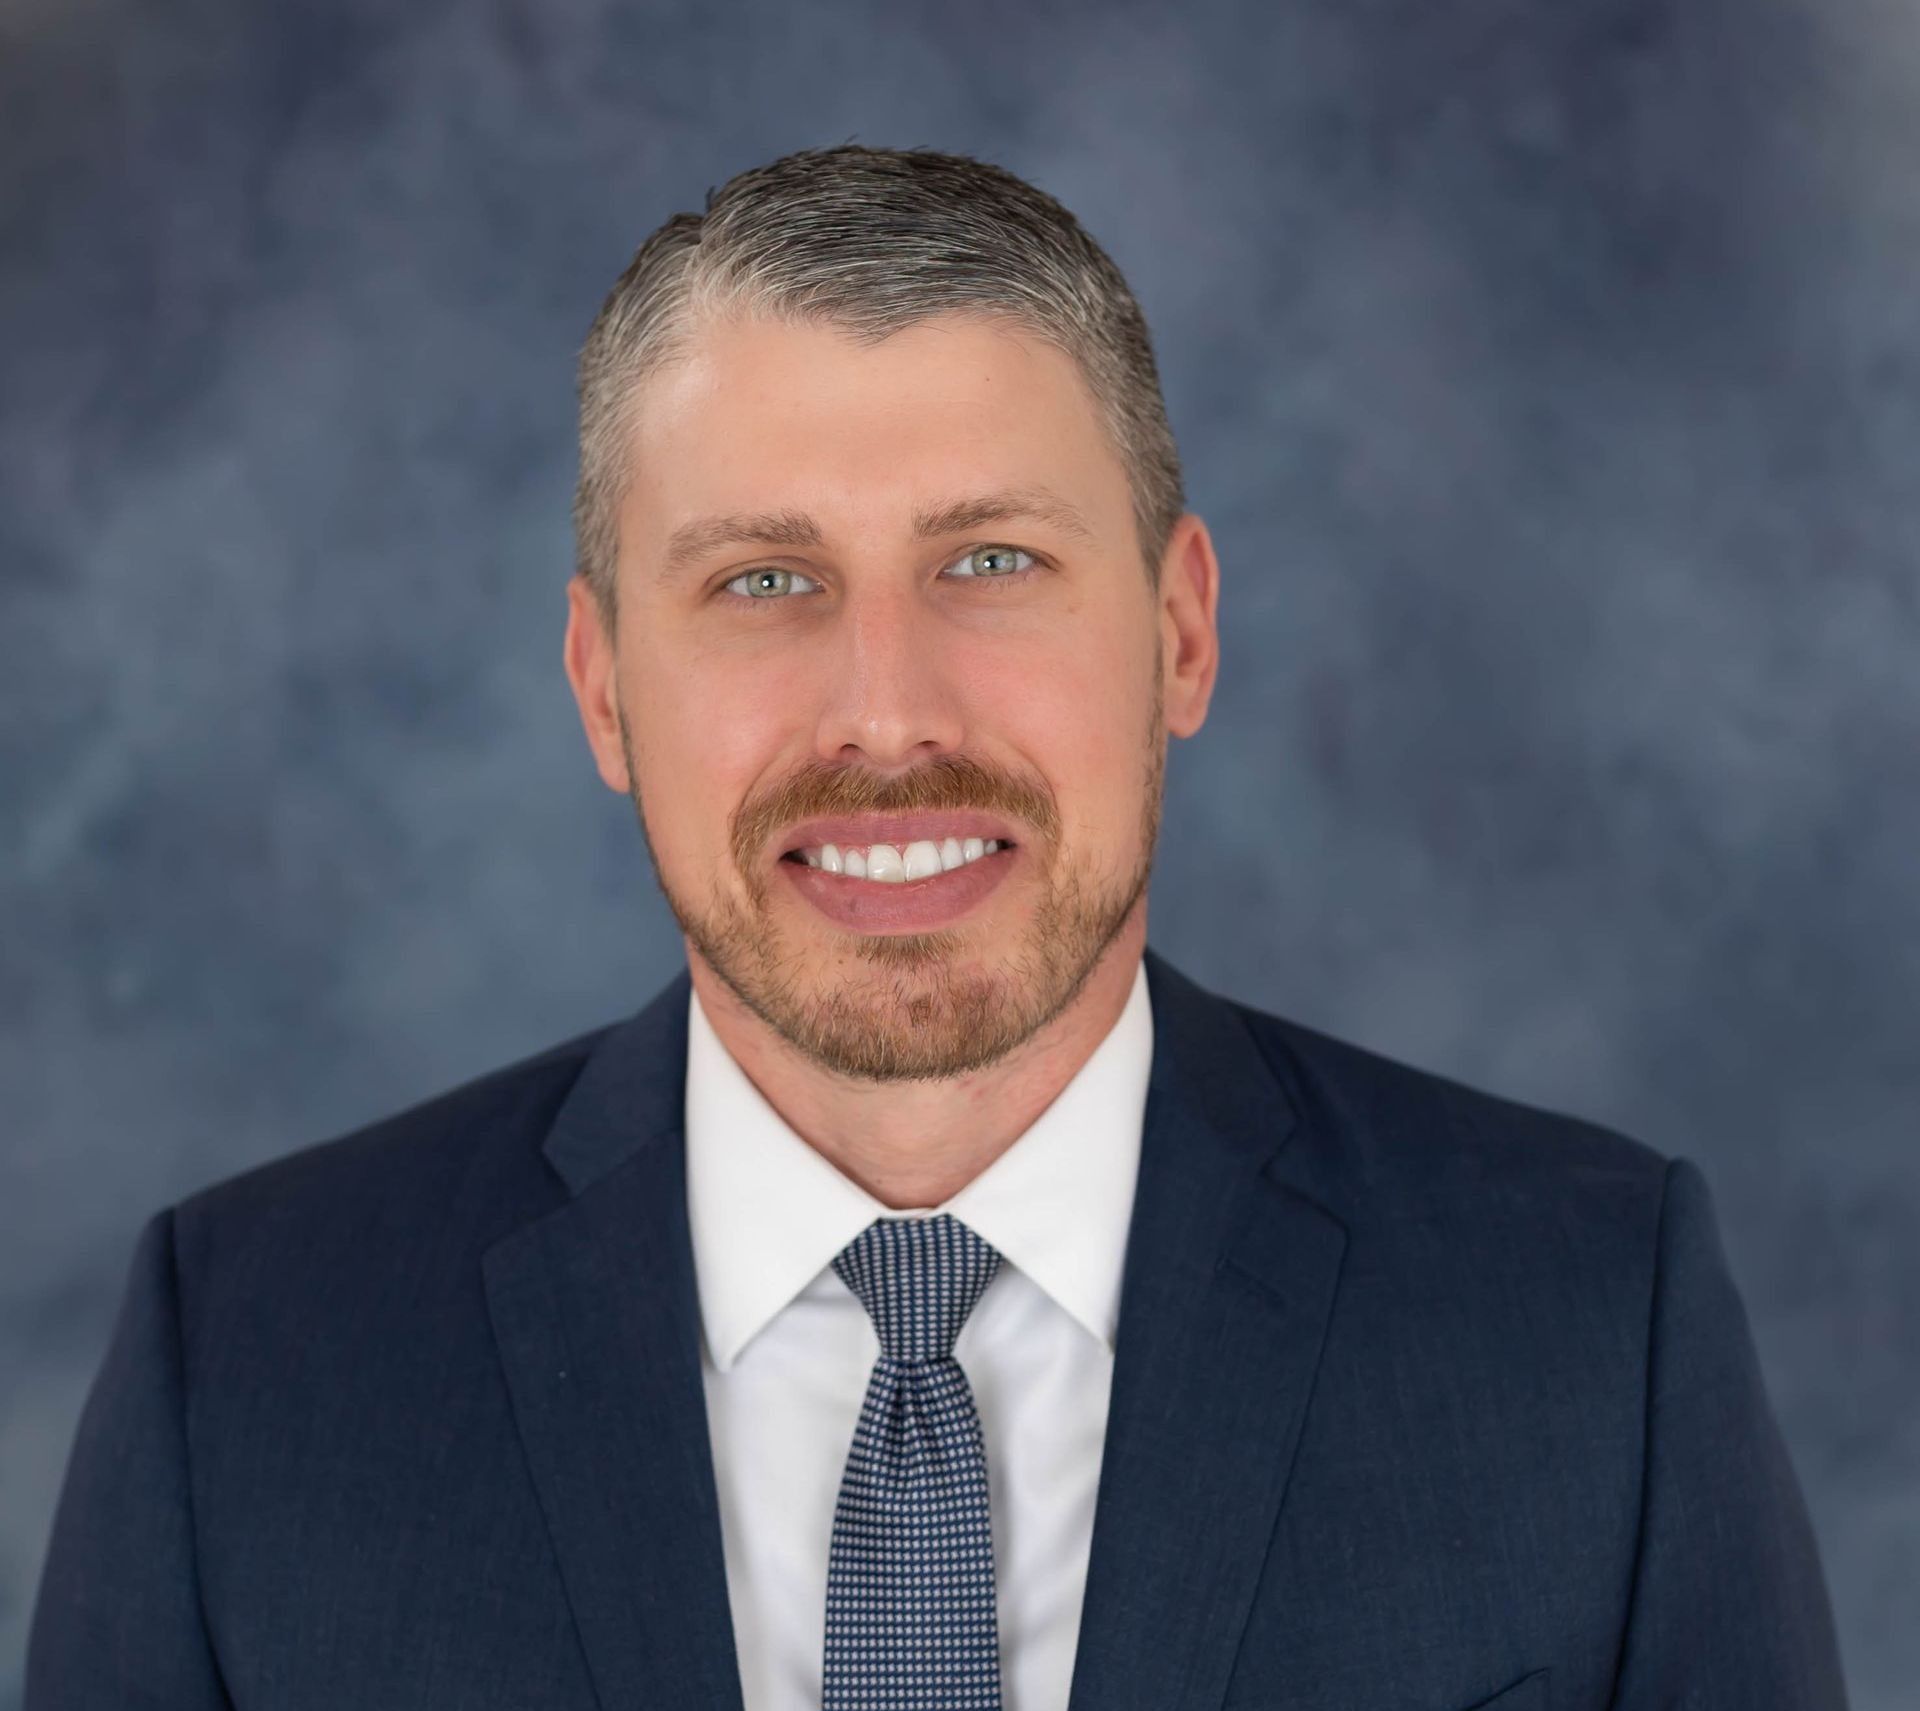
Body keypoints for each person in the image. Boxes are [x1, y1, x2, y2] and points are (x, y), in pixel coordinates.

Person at [26, 144, 1848, 1711]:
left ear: (1180, 634)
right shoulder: (247, 1365)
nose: (887, 715)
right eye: (764, 579)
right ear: (601, 688)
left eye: (990, 562)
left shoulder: (1592, 1325)